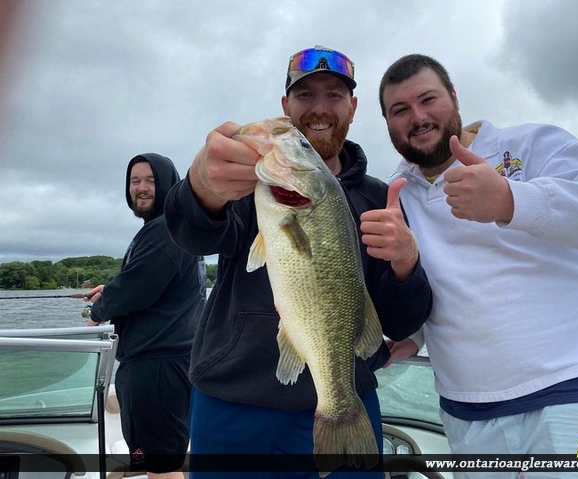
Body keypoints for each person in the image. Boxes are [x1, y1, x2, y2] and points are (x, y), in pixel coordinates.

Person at [163, 45, 433, 478]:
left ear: (354, 107)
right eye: (305, 96)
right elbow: (191, 233)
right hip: (233, 402)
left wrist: (406, 260)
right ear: (285, 106)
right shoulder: (250, 181)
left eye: (334, 95)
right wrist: (200, 184)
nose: (320, 108)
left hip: (345, 396)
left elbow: (399, 323)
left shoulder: (382, 198)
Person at [379, 53, 578, 478]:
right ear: (387, 123)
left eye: (428, 100)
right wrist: (414, 335)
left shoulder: (529, 145)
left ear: (454, 97)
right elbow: (441, 280)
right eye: (400, 110)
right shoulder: (397, 194)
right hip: (469, 415)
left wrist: (512, 200)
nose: (418, 117)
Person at [85, 153, 207, 479]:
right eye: (135, 181)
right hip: (168, 365)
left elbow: (137, 286)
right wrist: (109, 289)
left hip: (156, 372)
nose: (141, 188)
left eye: (150, 181)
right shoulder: (174, 226)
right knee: (158, 461)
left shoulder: (165, 229)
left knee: (161, 467)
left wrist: (97, 311)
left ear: (168, 183)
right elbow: (150, 282)